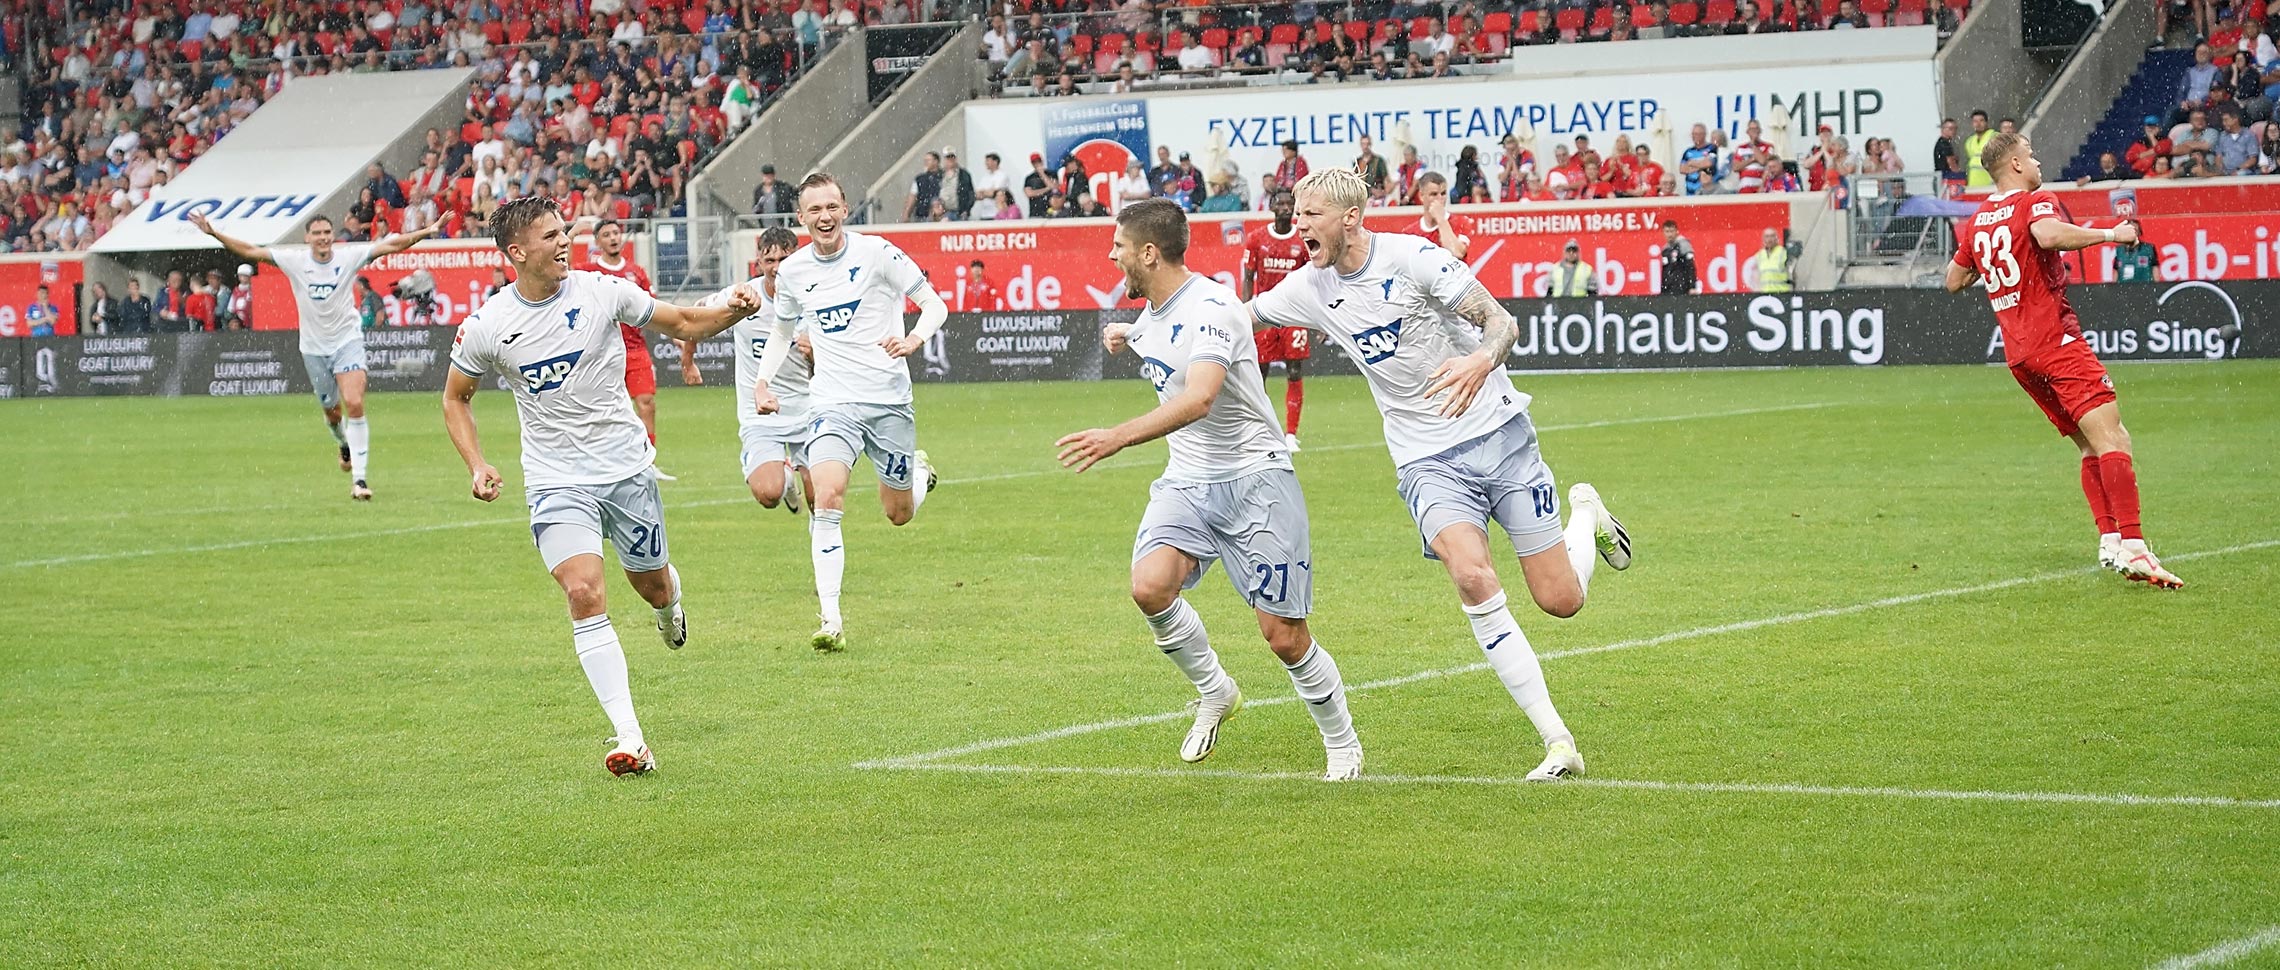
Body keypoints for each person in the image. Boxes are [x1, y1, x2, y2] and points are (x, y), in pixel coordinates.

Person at [1227, 168, 1633, 782]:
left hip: (1501, 437)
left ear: (1351, 218)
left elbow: (1501, 323)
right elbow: (1232, 318)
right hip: (1425, 458)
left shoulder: (1414, 258)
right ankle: (1558, 741)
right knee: (1471, 575)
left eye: (1311, 215)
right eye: (1297, 213)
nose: (1298, 224)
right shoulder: (1308, 287)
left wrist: (1479, 360)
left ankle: (1586, 513)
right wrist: (1149, 327)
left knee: (1560, 601)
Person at [442, 196, 764, 776]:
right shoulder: (487, 326)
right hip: (555, 480)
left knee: (653, 587)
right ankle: (630, 737)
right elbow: (455, 398)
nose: (565, 241)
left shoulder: (603, 291)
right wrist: (477, 462)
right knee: (584, 593)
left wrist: (735, 312)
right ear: (517, 252)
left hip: (625, 471)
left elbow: (684, 322)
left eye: (565, 230)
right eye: (550, 235)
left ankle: (671, 608)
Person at [1059, 198, 1361, 781]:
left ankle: (1342, 743)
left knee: (1283, 637)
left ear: (1148, 252)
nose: (1111, 255)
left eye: (1118, 246)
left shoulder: (1216, 305)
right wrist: (1127, 333)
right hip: (1188, 481)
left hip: (1256, 479)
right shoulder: (1153, 311)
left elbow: (1198, 397)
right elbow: (1156, 331)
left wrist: (1117, 437)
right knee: (1149, 587)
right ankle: (1215, 689)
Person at [1944, 133, 2182, 587]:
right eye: (2031, 154)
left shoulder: (1978, 221)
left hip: (2020, 355)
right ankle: (2135, 547)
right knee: (2115, 438)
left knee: (2090, 445)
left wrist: (1992, 262)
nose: (2037, 161)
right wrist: (2113, 233)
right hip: (2055, 341)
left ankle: (2110, 541)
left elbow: (1953, 280)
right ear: (2014, 164)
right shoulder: (2035, 201)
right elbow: (2048, 235)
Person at [750, 173, 950, 653]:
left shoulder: (877, 253)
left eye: (831, 207)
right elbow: (781, 332)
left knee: (897, 513)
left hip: (888, 402)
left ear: (845, 209)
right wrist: (762, 380)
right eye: (813, 210)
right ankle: (831, 618)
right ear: (801, 218)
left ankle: (917, 475)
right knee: (828, 497)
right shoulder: (795, 271)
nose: (824, 217)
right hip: (832, 403)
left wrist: (914, 340)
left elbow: (933, 304)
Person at [191, 209, 443, 500]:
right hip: (313, 347)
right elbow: (249, 250)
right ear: (307, 237)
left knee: (354, 402)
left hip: (347, 340)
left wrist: (427, 232)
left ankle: (360, 481)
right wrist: (214, 233)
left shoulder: (348, 257)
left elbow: (391, 245)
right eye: (317, 234)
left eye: (327, 233)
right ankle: (343, 444)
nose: (323, 238)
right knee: (333, 413)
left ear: (332, 236)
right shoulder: (295, 260)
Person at [705, 226, 814, 515]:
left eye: (784, 259)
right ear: (759, 262)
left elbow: (839, 365)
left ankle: (823, 558)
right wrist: (687, 360)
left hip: (811, 410)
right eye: (770, 261)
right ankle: (785, 477)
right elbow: (695, 315)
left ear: (798, 258)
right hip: (762, 415)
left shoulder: (816, 299)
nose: (777, 268)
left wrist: (816, 355)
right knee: (769, 494)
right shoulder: (743, 297)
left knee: (824, 502)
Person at [578, 218, 688, 479]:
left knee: (646, 404)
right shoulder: (588, 271)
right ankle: (604, 463)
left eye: (616, 233)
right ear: (598, 242)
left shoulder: (636, 273)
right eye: (606, 234)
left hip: (635, 349)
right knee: (604, 411)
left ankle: (647, 462)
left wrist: (676, 337)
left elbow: (653, 309)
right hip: (601, 352)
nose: (613, 238)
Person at [1243, 188, 1311, 451]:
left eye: (1288, 203)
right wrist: (1244, 312)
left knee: (1294, 371)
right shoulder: (1256, 239)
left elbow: (1312, 278)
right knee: (1259, 374)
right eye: (1279, 203)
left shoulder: (1302, 239)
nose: (1284, 207)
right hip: (1264, 314)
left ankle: (1291, 434)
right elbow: (1249, 278)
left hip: (1294, 314)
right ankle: (1262, 429)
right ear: (1271, 206)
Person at [1409, 172, 1472, 259]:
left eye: (1443, 193)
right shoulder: (1410, 233)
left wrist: (1440, 219)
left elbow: (1457, 253)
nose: (1440, 199)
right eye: (1434, 194)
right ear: (1421, 196)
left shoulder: (1461, 222)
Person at [1746, 228, 1791, 293]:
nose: (1769, 239)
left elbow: (1791, 275)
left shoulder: (1784, 253)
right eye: (1767, 236)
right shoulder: (1759, 255)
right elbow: (1755, 278)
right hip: (1765, 295)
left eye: (1772, 236)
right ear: (1763, 239)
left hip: (1781, 293)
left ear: (1776, 238)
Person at [1659, 220, 1697, 295]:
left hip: (1682, 287)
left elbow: (1690, 266)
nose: (1670, 234)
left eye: (1671, 231)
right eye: (1667, 231)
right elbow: (1665, 272)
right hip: (1670, 289)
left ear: (1677, 231)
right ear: (1663, 233)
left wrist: (1692, 287)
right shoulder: (1665, 250)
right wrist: (1663, 290)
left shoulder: (1683, 245)